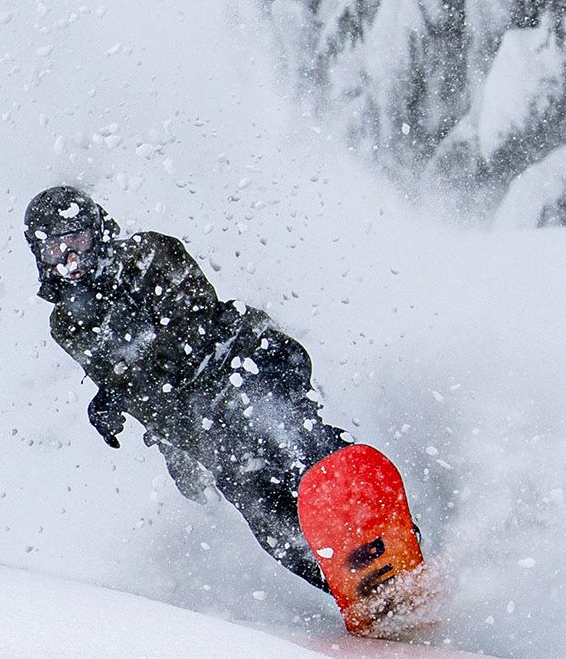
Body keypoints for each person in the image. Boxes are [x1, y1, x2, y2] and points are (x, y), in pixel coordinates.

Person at [22, 185, 348, 590]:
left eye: (77, 241)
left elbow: (189, 334)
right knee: (265, 513)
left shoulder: (148, 255)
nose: (70, 259)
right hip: (203, 430)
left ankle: (373, 520)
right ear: (41, 258)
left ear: (98, 232)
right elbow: (132, 388)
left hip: (243, 367)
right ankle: (351, 587)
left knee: (292, 442)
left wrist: (120, 389)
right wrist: (173, 455)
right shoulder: (68, 324)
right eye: (55, 250)